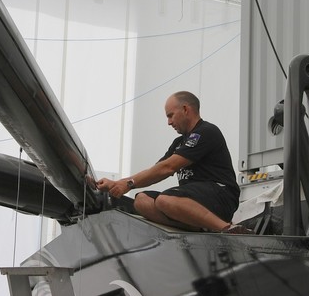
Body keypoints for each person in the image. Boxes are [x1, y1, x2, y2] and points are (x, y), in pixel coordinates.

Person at [96, 91, 252, 234]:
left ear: (185, 109)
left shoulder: (206, 132)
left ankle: (226, 228)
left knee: (165, 200)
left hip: (220, 195)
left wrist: (128, 184)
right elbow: (156, 171)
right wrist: (117, 183)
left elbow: (168, 168)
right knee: (141, 200)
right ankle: (195, 226)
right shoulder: (179, 142)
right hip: (191, 199)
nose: (169, 122)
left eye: (170, 115)